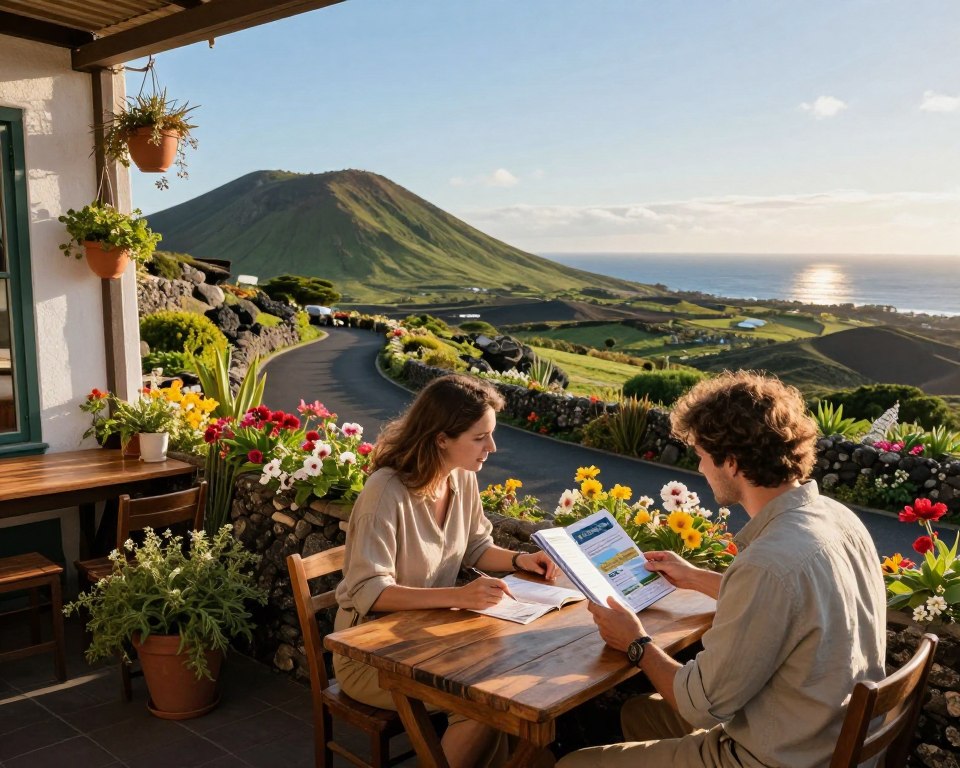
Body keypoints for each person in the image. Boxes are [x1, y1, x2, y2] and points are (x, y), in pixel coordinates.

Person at [558, 371, 886, 768]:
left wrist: (636, 643)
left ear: (731, 462)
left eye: (700, 454)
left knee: (571, 764)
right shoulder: (837, 518)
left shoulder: (767, 563)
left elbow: (699, 705)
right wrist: (697, 577)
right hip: (828, 734)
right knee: (638, 713)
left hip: (774, 757)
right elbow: (792, 603)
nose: (698, 466)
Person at [333, 373, 558, 768]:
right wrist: (459, 596)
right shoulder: (385, 492)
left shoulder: (463, 478)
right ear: (441, 439)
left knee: (505, 693)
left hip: (430, 636)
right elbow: (371, 590)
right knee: (481, 707)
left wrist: (521, 560)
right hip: (369, 652)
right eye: (480, 437)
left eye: (491, 434)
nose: (492, 447)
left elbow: (476, 547)